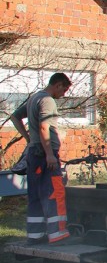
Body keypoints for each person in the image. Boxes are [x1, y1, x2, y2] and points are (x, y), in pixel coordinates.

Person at [9, 72, 72, 244]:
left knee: (36, 195)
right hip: (45, 155)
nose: (64, 94)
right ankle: (57, 235)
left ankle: (35, 236)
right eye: (64, 90)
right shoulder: (47, 100)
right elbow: (44, 127)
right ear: (57, 85)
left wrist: (29, 139)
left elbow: (14, 117)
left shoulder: (34, 98)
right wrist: (50, 154)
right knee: (54, 192)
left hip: (34, 154)